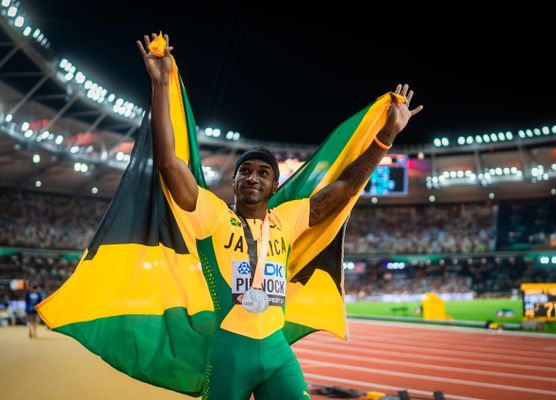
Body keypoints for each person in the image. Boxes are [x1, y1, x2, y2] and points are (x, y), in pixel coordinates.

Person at [137, 33, 422, 399]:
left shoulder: (287, 219)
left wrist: (386, 137)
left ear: (274, 186)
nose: (253, 176)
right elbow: (167, 162)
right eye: (246, 171)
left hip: (276, 352)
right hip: (228, 353)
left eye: (263, 172)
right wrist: (161, 85)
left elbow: (344, 188)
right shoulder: (211, 215)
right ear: (235, 180)